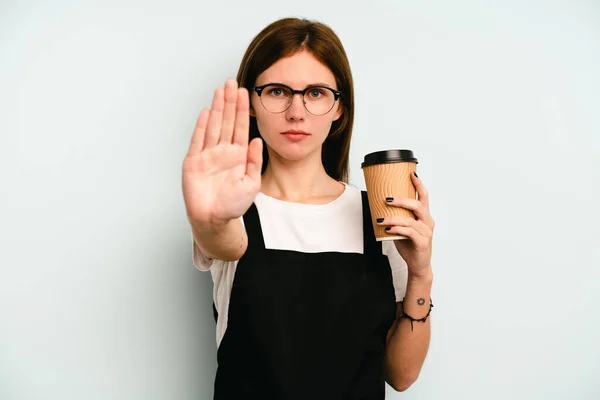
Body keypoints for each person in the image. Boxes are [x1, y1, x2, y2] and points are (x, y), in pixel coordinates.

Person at [181, 17, 435, 399]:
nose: (296, 112)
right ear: (251, 102)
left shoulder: (379, 218)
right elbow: (224, 242)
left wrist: (420, 273)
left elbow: (401, 375)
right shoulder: (228, 207)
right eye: (278, 91)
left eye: (315, 93)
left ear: (339, 109)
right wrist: (210, 219)